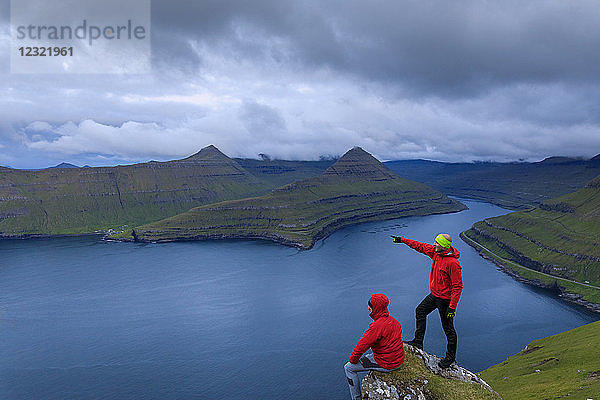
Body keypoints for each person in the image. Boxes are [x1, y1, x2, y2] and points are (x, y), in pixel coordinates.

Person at [391, 233, 463, 369]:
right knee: (420, 311)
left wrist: (452, 308)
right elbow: (420, 246)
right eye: (435, 242)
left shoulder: (453, 263)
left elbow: (458, 287)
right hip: (435, 295)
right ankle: (418, 342)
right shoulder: (436, 253)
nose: (434, 244)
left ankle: (450, 358)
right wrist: (403, 240)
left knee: (448, 329)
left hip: (445, 301)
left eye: (437, 243)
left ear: (444, 246)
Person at [344, 293, 404, 400]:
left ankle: (356, 398)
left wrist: (353, 360)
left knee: (348, 368)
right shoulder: (394, 322)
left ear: (376, 308)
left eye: (370, 306)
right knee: (369, 356)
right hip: (398, 360)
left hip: (387, 363)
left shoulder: (376, 326)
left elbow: (361, 346)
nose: (368, 308)